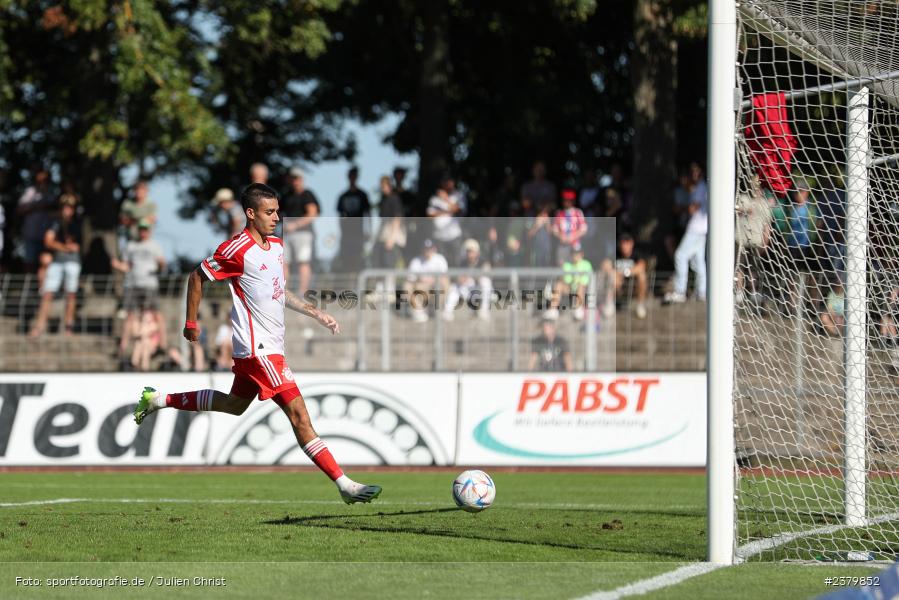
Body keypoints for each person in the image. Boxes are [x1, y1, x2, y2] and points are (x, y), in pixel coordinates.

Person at [133, 183, 381, 504]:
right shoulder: (236, 249)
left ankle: (159, 399)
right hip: (259, 351)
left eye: (277, 211)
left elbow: (278, 291)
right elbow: (197, 277)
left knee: (234, 406)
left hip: (269, 348)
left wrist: (314, 312)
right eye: (269, 212)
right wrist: (191, 323)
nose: (277, 217)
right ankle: (345, 485)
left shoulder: (276, 246)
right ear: (250, 214)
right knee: (299, 416)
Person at [28, 194, 82, 337]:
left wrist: (61, 245)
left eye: (70, 207)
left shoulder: (77, 224)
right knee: (47, 293)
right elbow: (48, 241)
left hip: (72, 262)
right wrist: (64, 247)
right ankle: (39, 326)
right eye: (65, 207)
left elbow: (76, 246)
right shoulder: (54, 223)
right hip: (57, 261)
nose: (67, 210)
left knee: (71, 294)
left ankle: (68, 327)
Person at [112, 220, 166, 360]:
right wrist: (117, 265)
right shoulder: (130, 246)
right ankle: (123, 348)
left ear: (149, 230)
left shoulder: (155, 246)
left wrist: (160, 266)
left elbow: (162, 263)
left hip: (150, 284)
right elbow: (126, 266)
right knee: (129, 316)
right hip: (132, 284)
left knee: (154, 314)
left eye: (146, 229)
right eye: (141, 229)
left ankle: (162, 344)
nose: (143, 232)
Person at [665, 162, 708, 303]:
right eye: (692, 172)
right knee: (698, 262)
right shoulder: (699, 188)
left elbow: (692, 209)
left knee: (680, 256)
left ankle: (680, 291)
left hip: (696, 228)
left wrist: (681, 209)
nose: (694, 174)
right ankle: (701, 292)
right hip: (701, 229)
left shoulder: (701, 187)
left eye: (697, 171)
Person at [281, 167, 319, 295]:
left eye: (296, 178)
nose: (294, 181)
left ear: (301, 179)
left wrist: (295, 225)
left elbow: (312, 214)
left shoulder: (307, 194)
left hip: (304, 234)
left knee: (303, 262)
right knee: (284, 262)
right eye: (292, 178)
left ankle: (303, 293)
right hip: (287, 235)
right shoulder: (286, 195)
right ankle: (284, 292)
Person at [600, 233, 648, 319]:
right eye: (622, 243)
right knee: (612, 277)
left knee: (642, 276)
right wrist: (613, 272)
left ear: (631, 243)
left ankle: (640, 305)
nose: (624, 246)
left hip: (633, 285)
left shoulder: (637, 254)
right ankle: (609, 304)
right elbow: (605, 264)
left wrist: (626, 272)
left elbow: (642, 266)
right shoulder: (615, 254)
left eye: (627, 243)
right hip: (617, 285)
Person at [443, 238, 492, 322]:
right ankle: (447, 312)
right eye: (468, 251)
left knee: (485, 281)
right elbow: (459, 278)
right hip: (467, 292)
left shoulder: (483, 262)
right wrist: (462, 278)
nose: (470, 254)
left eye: (472, 251)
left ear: (477, 252)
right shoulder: (462, 263)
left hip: (479, 292)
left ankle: (484, 310)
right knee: (454, 288)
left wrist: (471, 276)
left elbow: (487, 274)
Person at [335, 166, 370, 272]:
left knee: (358, 259)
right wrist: (341, 232)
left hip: (358, 233)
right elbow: (340, 216)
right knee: (346, 260)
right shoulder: (343, 196)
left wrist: (368, 231)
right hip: (346, 234)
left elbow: (368, 214)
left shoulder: (362, 195)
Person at [405, 239, 449, 323]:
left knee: (443, 283)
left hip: (435, 287)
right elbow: (410, 279)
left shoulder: (440, 259)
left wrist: (432, 280)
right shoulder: (416, 261)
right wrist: (421, 281)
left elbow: (444, 277)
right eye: (426, 249)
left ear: (434, 249)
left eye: (430, 249)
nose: (428, 251)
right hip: (421, 288)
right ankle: (419, 311)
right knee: (407, 286)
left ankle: (439, 310)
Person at [547, 242, 594, 321]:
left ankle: (579, 308)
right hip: (571, 288)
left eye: (578, 253)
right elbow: (567, 280)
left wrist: (576, 280)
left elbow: (585, 281)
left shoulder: (587, 264)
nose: (576, 256)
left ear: (582, 254)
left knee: (581, 285)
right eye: (574, 253)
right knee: (559, 284)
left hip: (584, 289)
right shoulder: (567, 265)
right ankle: (553, 309)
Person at [374, 175, 405, 269]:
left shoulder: (394, 199)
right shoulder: (384, 200)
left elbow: (397, 218)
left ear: (389, 186)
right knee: (381, 262)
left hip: (393, 235)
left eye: (384, 186)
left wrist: (391, 238)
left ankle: (389, 283)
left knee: (389, 263)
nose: (382, 189)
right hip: (384, 234)